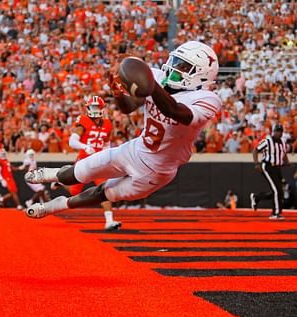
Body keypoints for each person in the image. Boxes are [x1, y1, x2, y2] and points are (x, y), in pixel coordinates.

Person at [25, 41, 221, 219]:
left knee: (102, 193)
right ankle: (55, 174)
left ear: (202, 75)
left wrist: (151, 85)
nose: (174, 68)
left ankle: (57, 206)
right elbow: (129, 107)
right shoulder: (159, 77)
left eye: (183, 66)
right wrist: (118, 94)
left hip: (157, 170)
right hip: (134, 149)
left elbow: (175, 111)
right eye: (176, 61)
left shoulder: (207, 99)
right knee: (77, 172)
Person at [52, 96, 121, 230]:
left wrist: (107, 154)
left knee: (104, 189)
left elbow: (107, 142)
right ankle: (61, 181)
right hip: (84, 160)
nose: (95, 110)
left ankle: (109, 221)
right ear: (88, 108)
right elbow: (72, 141)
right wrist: (85, 147)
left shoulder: (107, 124)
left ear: (102, 108)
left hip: (99, 161)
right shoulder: (83, 121)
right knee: (74, 191)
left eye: (97, 107)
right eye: (93, 107)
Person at [250, 124, 289, 219]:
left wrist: (287, 163)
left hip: (277, 168)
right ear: (273, 132)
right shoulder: (267, 141)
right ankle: (275, 213)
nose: (279, 133)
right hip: (267, 166)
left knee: (278, 190)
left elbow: (283, 153)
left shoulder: (283, 142)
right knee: (276, 190)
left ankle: (257, 197)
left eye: (280, 131)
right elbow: (255, 150)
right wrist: (256, 163)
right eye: (277, 131)